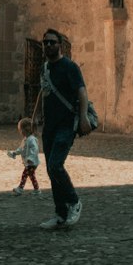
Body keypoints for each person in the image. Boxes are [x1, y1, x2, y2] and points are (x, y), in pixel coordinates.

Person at [38, 28, 92, 230]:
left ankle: (74, 201)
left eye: (52, 42)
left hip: (66, 124)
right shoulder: (44, 68)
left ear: (60, 45)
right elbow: (44, 93)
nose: (48, 46)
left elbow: (82, 92)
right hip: (49, 126)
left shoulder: (70, 66)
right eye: (45, 43)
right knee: (51, 171)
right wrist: (36, 117)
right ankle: (60, 213)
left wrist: (84, 116)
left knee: (55, 165)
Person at [7, 116, 41, 194]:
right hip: (29, 162)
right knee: (31, 176)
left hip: (32, 162)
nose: (20, 132)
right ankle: (37, 190)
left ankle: (20, 188)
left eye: (20, 130)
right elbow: (21, 149)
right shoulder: (26, 139)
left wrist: (31, 158)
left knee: (25, 175)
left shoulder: (31, 139)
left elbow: (34, 149)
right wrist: (15, 152)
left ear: (25, 129)